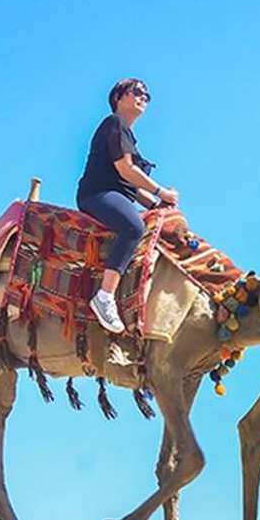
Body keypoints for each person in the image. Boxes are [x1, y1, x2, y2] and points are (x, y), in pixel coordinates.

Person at [76, 78, 179, 334]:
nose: (143, 97)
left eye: (147, 95)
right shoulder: (114, 124)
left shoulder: (127, 135)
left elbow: (131, 187)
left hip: (117, 194)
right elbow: (125, 169)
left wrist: (157, 204)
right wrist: (161, 191)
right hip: (97, 194)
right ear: (118, 97)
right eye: (137, 92)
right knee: (134, 227)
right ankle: (105, 296)